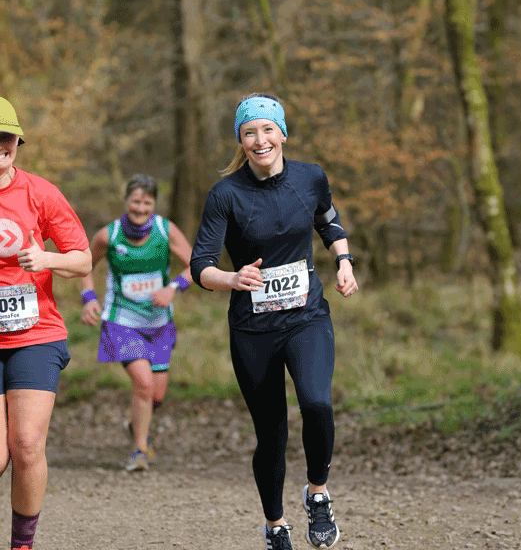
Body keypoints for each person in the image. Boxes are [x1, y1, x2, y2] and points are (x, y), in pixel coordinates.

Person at [190, 93, 358, 550]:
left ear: (282, 133)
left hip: (307, 317)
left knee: (317, 403)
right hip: (253, 330)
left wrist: (343, 261)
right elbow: (199, 264)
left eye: (267, 129)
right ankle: (275, 525)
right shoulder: (226, 194)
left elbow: (329, 220)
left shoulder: (310, 177)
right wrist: (231, 276)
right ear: (241, 142)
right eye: (249, 132)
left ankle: (318, 495)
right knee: (271, 434)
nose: (260, 140)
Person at [0, 96, 92, 550]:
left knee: (28, 445)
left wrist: (47, 257)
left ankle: (22, 545)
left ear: (17, 141)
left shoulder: (41, 192)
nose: (0, 147)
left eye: (6, 138)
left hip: (36, 334)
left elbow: (83, 258)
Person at [80, 173, 192, 471]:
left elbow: (197, 264)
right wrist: (88, 297)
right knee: (142, 384)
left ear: (154, 203)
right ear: (126, 201)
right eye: (135, 202)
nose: (140, 209)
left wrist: (174, 287)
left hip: (159, 324)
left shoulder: (166, 231)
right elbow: (83, 265)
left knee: (155, 394)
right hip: (121, 321)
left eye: (147, 202)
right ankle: (140, 451)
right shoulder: (109, 235)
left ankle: (135, 423)